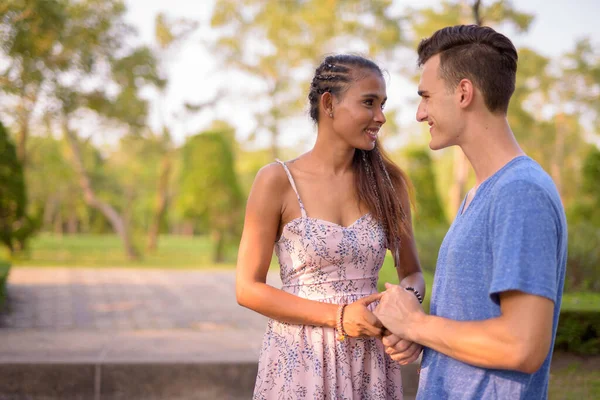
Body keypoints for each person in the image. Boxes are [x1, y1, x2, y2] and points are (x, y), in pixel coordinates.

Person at [374, 25, 568, 399]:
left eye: (426, 96)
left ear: (464, 93)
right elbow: (475, 325)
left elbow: (522, 346)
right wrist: (420, 337)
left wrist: (417, 324)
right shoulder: (481, 194)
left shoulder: (519, 192)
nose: (420, 113)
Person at [236, 54, 425, 399]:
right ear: (329, 104)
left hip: (372, 360)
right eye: (369, 103)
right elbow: (247, 288)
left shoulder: (389, 183)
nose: (380, 117)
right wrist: (337, 316)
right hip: (299, 359)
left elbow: (412, 273)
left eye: (382, 104)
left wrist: (407, 306)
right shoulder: (277, 180)